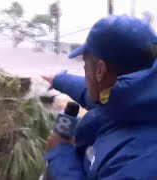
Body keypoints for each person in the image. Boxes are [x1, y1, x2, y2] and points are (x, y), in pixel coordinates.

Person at [43, 15, 157, 179]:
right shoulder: (134, 101)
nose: (84, 73)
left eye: (85, 66)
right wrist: (59, 79)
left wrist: (60, 153)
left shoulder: (139, 163)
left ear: (100, 71)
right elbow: (92, 92)